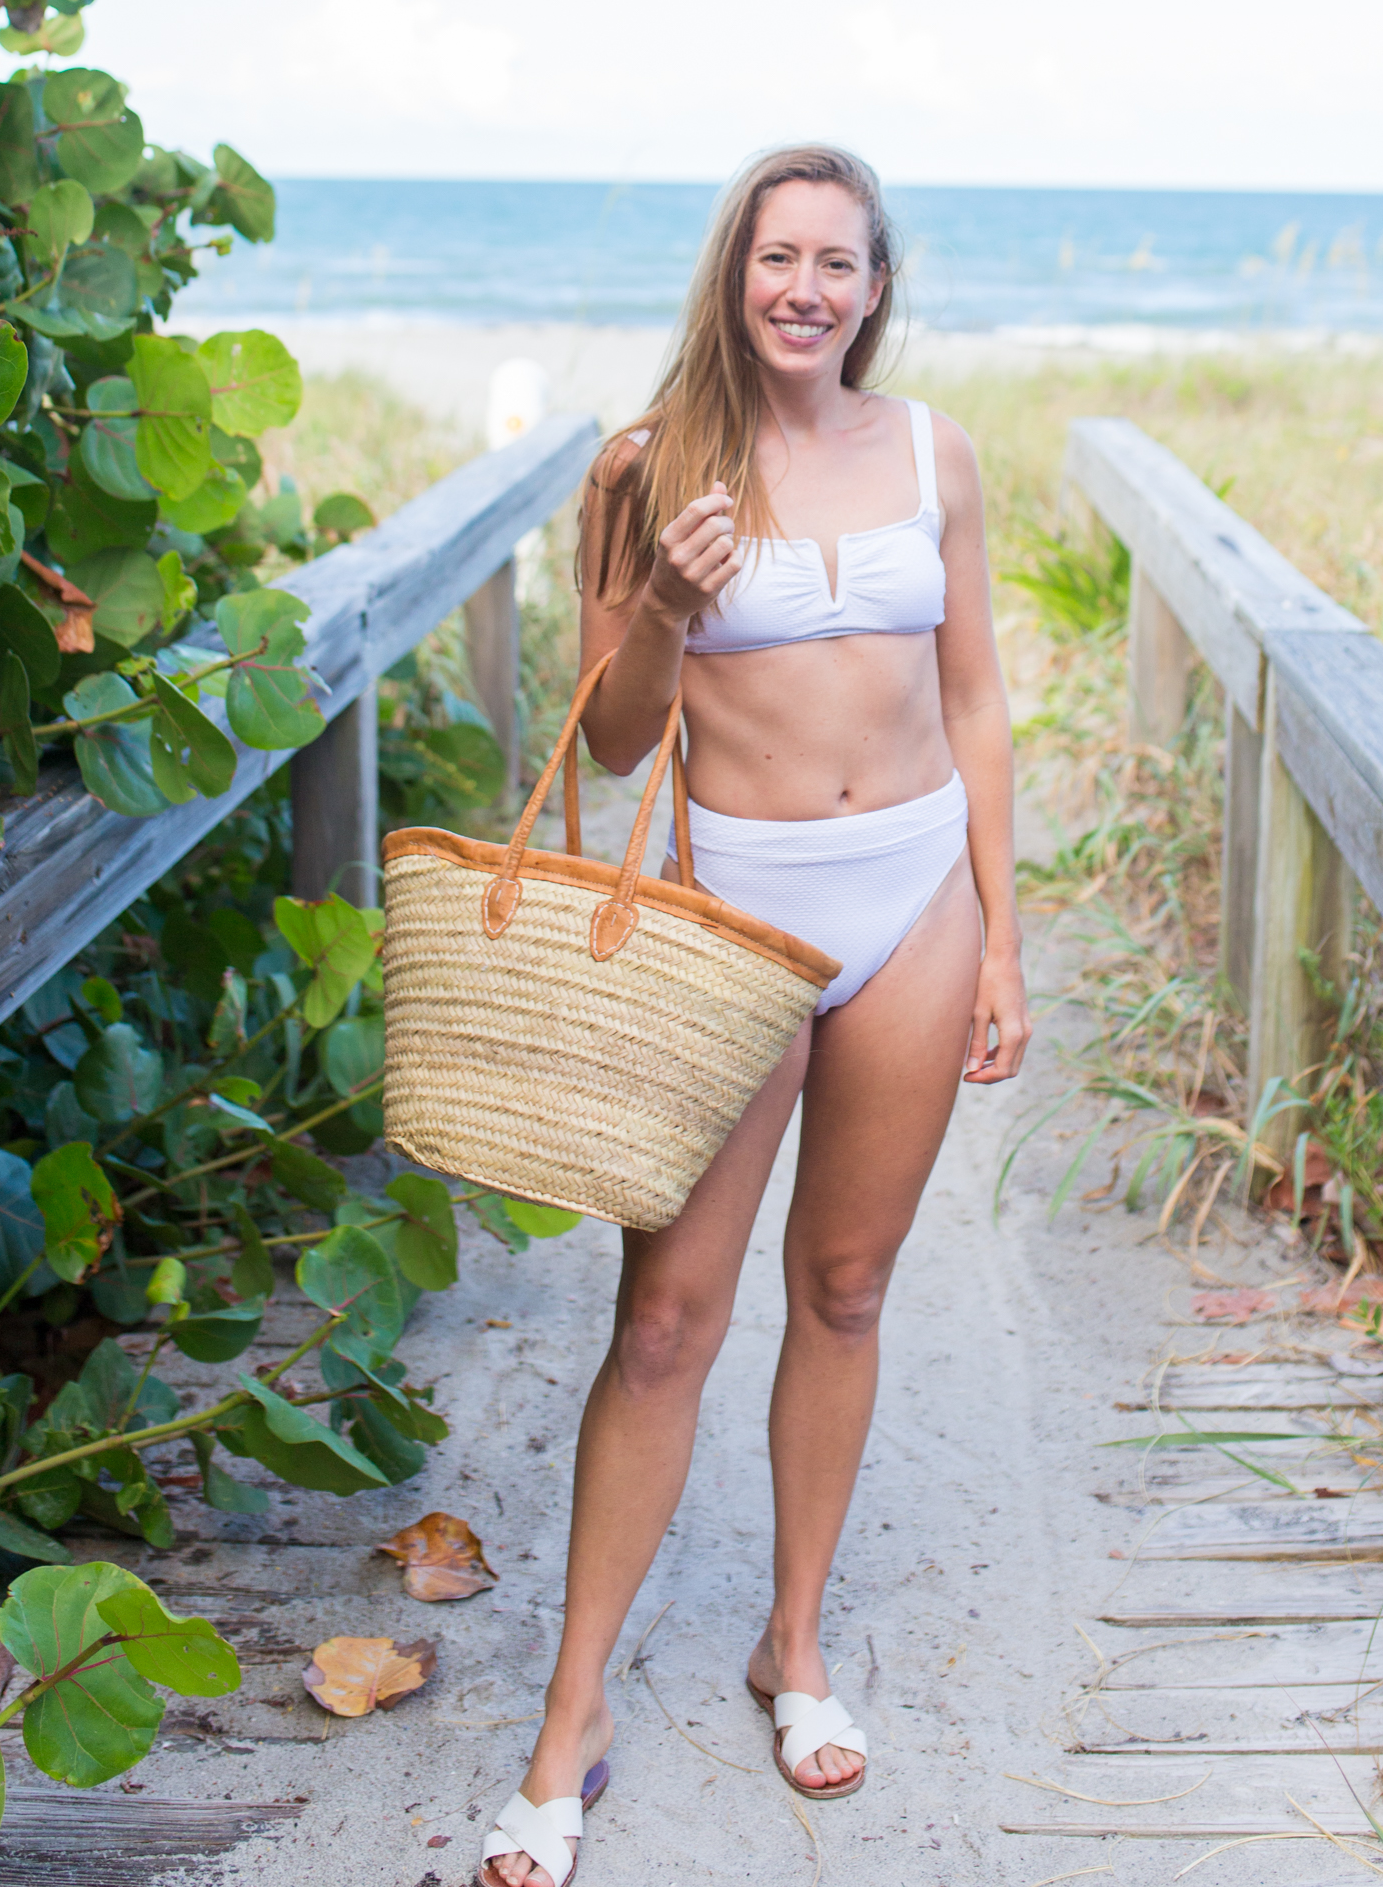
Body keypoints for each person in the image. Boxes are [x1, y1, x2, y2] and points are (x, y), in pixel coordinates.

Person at [479, 141, 1031, 1887]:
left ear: (876, 288)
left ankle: (794, 1646)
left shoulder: (933, 450)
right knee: (665, 1318)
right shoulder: (649, 466)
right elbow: (619, 738)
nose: (807, 287)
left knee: (849, 1287)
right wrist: (663, 605)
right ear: (736, 273)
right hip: (737, 916)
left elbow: (982, 701)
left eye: (839, 262)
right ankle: (569, 1723)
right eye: (778, 256)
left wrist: (1005, 935)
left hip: (918, 897)